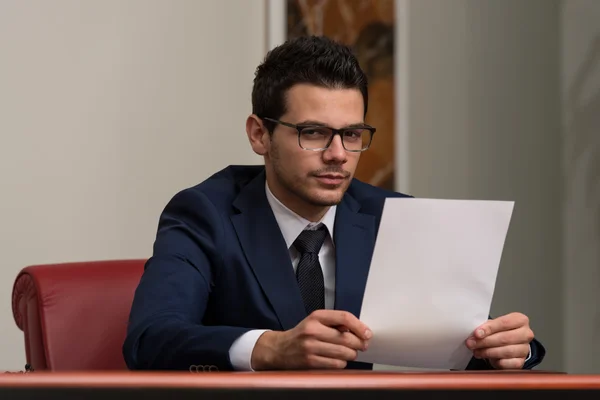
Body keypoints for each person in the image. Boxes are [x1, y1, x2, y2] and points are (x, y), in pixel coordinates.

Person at [123, 36, 545, 371]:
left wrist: (507, 350)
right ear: (259, 135)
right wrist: (270, 348)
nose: (339, 154)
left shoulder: (395, 218)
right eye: (313, 132)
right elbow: (150, 339)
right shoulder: (204, 214)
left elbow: (449, 344)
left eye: (352, 134)